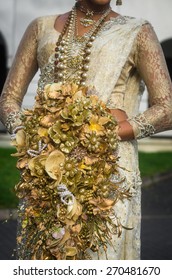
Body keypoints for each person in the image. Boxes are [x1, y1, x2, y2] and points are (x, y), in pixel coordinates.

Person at [0, 0, 172, 260]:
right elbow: (8, 99)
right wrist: (31, 135)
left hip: (108, 168)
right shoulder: (40, 27)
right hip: (47, 167)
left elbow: (167, 109)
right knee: (47, 256)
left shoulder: (137, 30)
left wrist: (105, 134)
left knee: (100, 256)